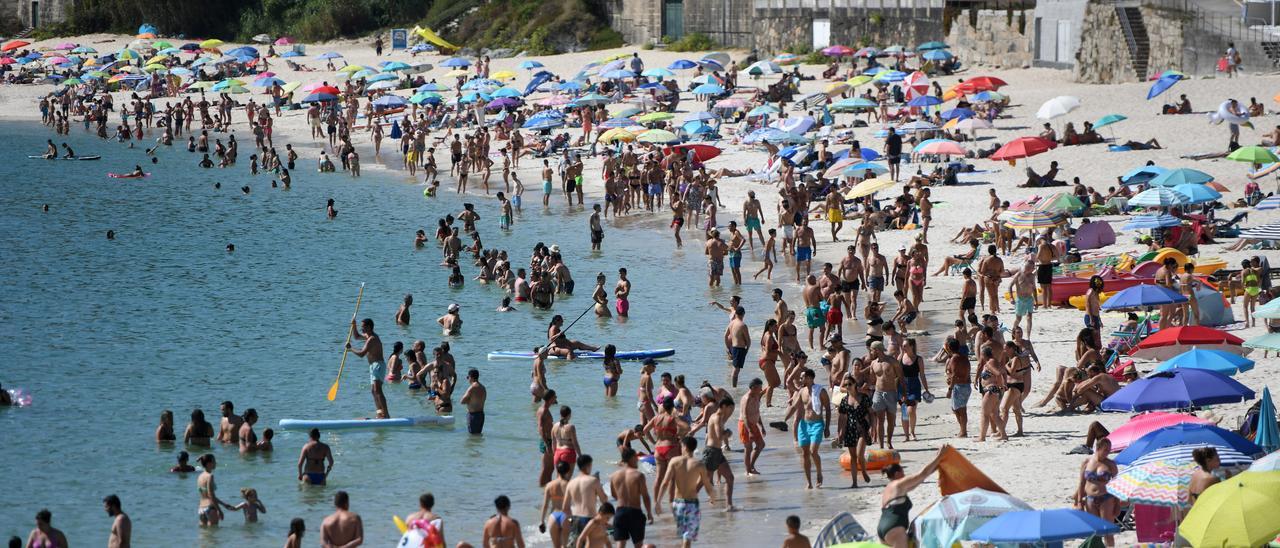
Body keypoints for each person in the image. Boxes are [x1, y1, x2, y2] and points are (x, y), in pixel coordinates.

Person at [878, 447, 948, 548]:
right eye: (903, 472)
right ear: (897, 474)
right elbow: (921, 474)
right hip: (894, 528)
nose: (905, 475)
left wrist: (937, 466)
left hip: (882, 528)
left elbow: (920, 480)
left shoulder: (890, 488)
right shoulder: (898, 484)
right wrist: (939, 457)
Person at [657, 436, 717, 548]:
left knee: (684, 534)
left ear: (684, 447)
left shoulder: (674, 461)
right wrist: (713, 497)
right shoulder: (699, 464)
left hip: (677, 503)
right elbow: (707, 485)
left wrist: (658, 502)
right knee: (687, 537)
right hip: (692, 504)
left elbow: (665, 483)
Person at [784, 368, 831, 489]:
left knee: (813, 451)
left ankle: (819, 473)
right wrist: (785, 418)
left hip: (817, 424)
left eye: (802, 377)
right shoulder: (801, 391)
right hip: (804, 424)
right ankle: (809, 482)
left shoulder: (821, 391)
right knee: (805, 454)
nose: (800, 379)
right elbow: (795, 406)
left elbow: (828, 409)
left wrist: (827, 427)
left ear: (809, 378)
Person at [1074, 438, 1119, 547]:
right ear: (1098, 448)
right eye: (1105, 450)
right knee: (1095, 531)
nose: (1108, 452)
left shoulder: (1111, 465)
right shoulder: (1087, 462)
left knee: (1107, 530)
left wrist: (1117, 504)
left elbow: (1117, 485)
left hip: (1106, 498)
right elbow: (1081, 483)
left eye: (1109, 450)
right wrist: (1079, 501)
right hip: (1090, 499)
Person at [609, 447, 654, 547]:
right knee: (638, 544)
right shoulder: (638, 475)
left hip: (620, 512)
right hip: (635, 512)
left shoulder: (613, 476)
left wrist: (622, 498)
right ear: (631, 458)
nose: (637, 459)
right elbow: (645, 497)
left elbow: (613, 494)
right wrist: (649, 513)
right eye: (636, 457)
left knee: (620, 544)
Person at [347, 317, 390, 419]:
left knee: (377, 390)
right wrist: (354, 326)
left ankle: (386, 414)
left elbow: (362, 354)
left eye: (363, 327)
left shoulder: (372, 339)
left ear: (369, 327)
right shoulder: (368, 336)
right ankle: (380, 412)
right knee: (373, 390)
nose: (362, 329)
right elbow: (356, 336)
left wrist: (350, 349)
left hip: (378, 365)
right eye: (361, 327)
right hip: (372, 366)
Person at [563, 455, 609, 547]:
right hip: (589, 518)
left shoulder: (571, 483)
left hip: (575, 519)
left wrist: (568, 521)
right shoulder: (593, 481)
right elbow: (604, 500)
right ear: (587, 466)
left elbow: (565, 507)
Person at [539, 461, 572, 547]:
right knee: (564, 545)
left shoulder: (549, 485)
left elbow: (545, 505)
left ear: (557, 471)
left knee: (555, 546)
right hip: (566, 516)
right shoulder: (569, 485)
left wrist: (542, 521)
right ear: (568, 471)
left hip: (553, 516)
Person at [739, 379, 766, 476]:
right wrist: (749, 431)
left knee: (761, 445)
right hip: (745, 425)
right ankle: (748, 471)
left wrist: (762, 426)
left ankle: (751, 466)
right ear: (753, 388)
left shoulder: (756, 396)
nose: (761, 389)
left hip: (754, 424)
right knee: (748, 448)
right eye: (759, 387)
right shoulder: (747, 398)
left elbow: (757, 412)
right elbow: (745, 415)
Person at [196, 454, 231, 527]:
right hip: (210, 508)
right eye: (214, 461)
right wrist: (219, 510)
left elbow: (206, 495)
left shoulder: (200, 476)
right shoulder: (210, 476)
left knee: (204, 536)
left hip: (201, 508)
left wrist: (224, 504)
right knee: (213, 536)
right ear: (209, 464)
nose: (216, 463)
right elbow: (211, 495)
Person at [723, 306, 750, 387]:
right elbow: (748, 340)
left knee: (735, 368)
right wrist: (747, 350)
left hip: (733, 348)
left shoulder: (731, 323)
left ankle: (734, 386)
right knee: (736, 369)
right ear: (743, 314)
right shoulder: (742, 325)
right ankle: (734, 388)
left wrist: (728, 347)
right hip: (740, 348)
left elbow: (725, 336)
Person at [460, 368, 487, 435]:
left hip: (473, 416)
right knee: (478, 435)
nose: (468, 379)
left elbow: (462, 401)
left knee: (472, 437)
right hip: (481, 415)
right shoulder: (483, 388)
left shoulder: (472, 388)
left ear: (471, 377)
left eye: (468, 377)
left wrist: (469, 400)